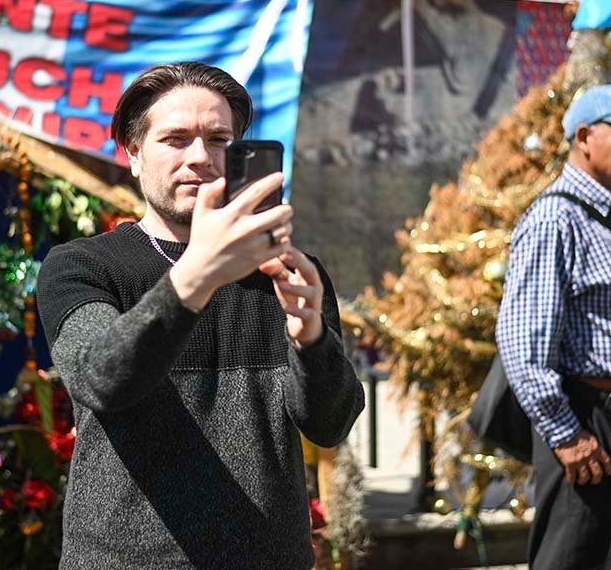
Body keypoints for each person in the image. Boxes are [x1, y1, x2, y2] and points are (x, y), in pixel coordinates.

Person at [36, 62, 365, 569]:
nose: (200, 158)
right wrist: (198, 275)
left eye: (218, 139)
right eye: (175, 139)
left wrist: (311, 339)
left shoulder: (287, 273)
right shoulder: (82, 266)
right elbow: (101, 378)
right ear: (134, 154)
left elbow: (330, 424)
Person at [496, 84, 611, 569]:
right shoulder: (556, 219)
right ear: (584, 138)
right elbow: (523, 344)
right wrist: (567, 436)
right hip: (590, 423)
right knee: (576, 559)